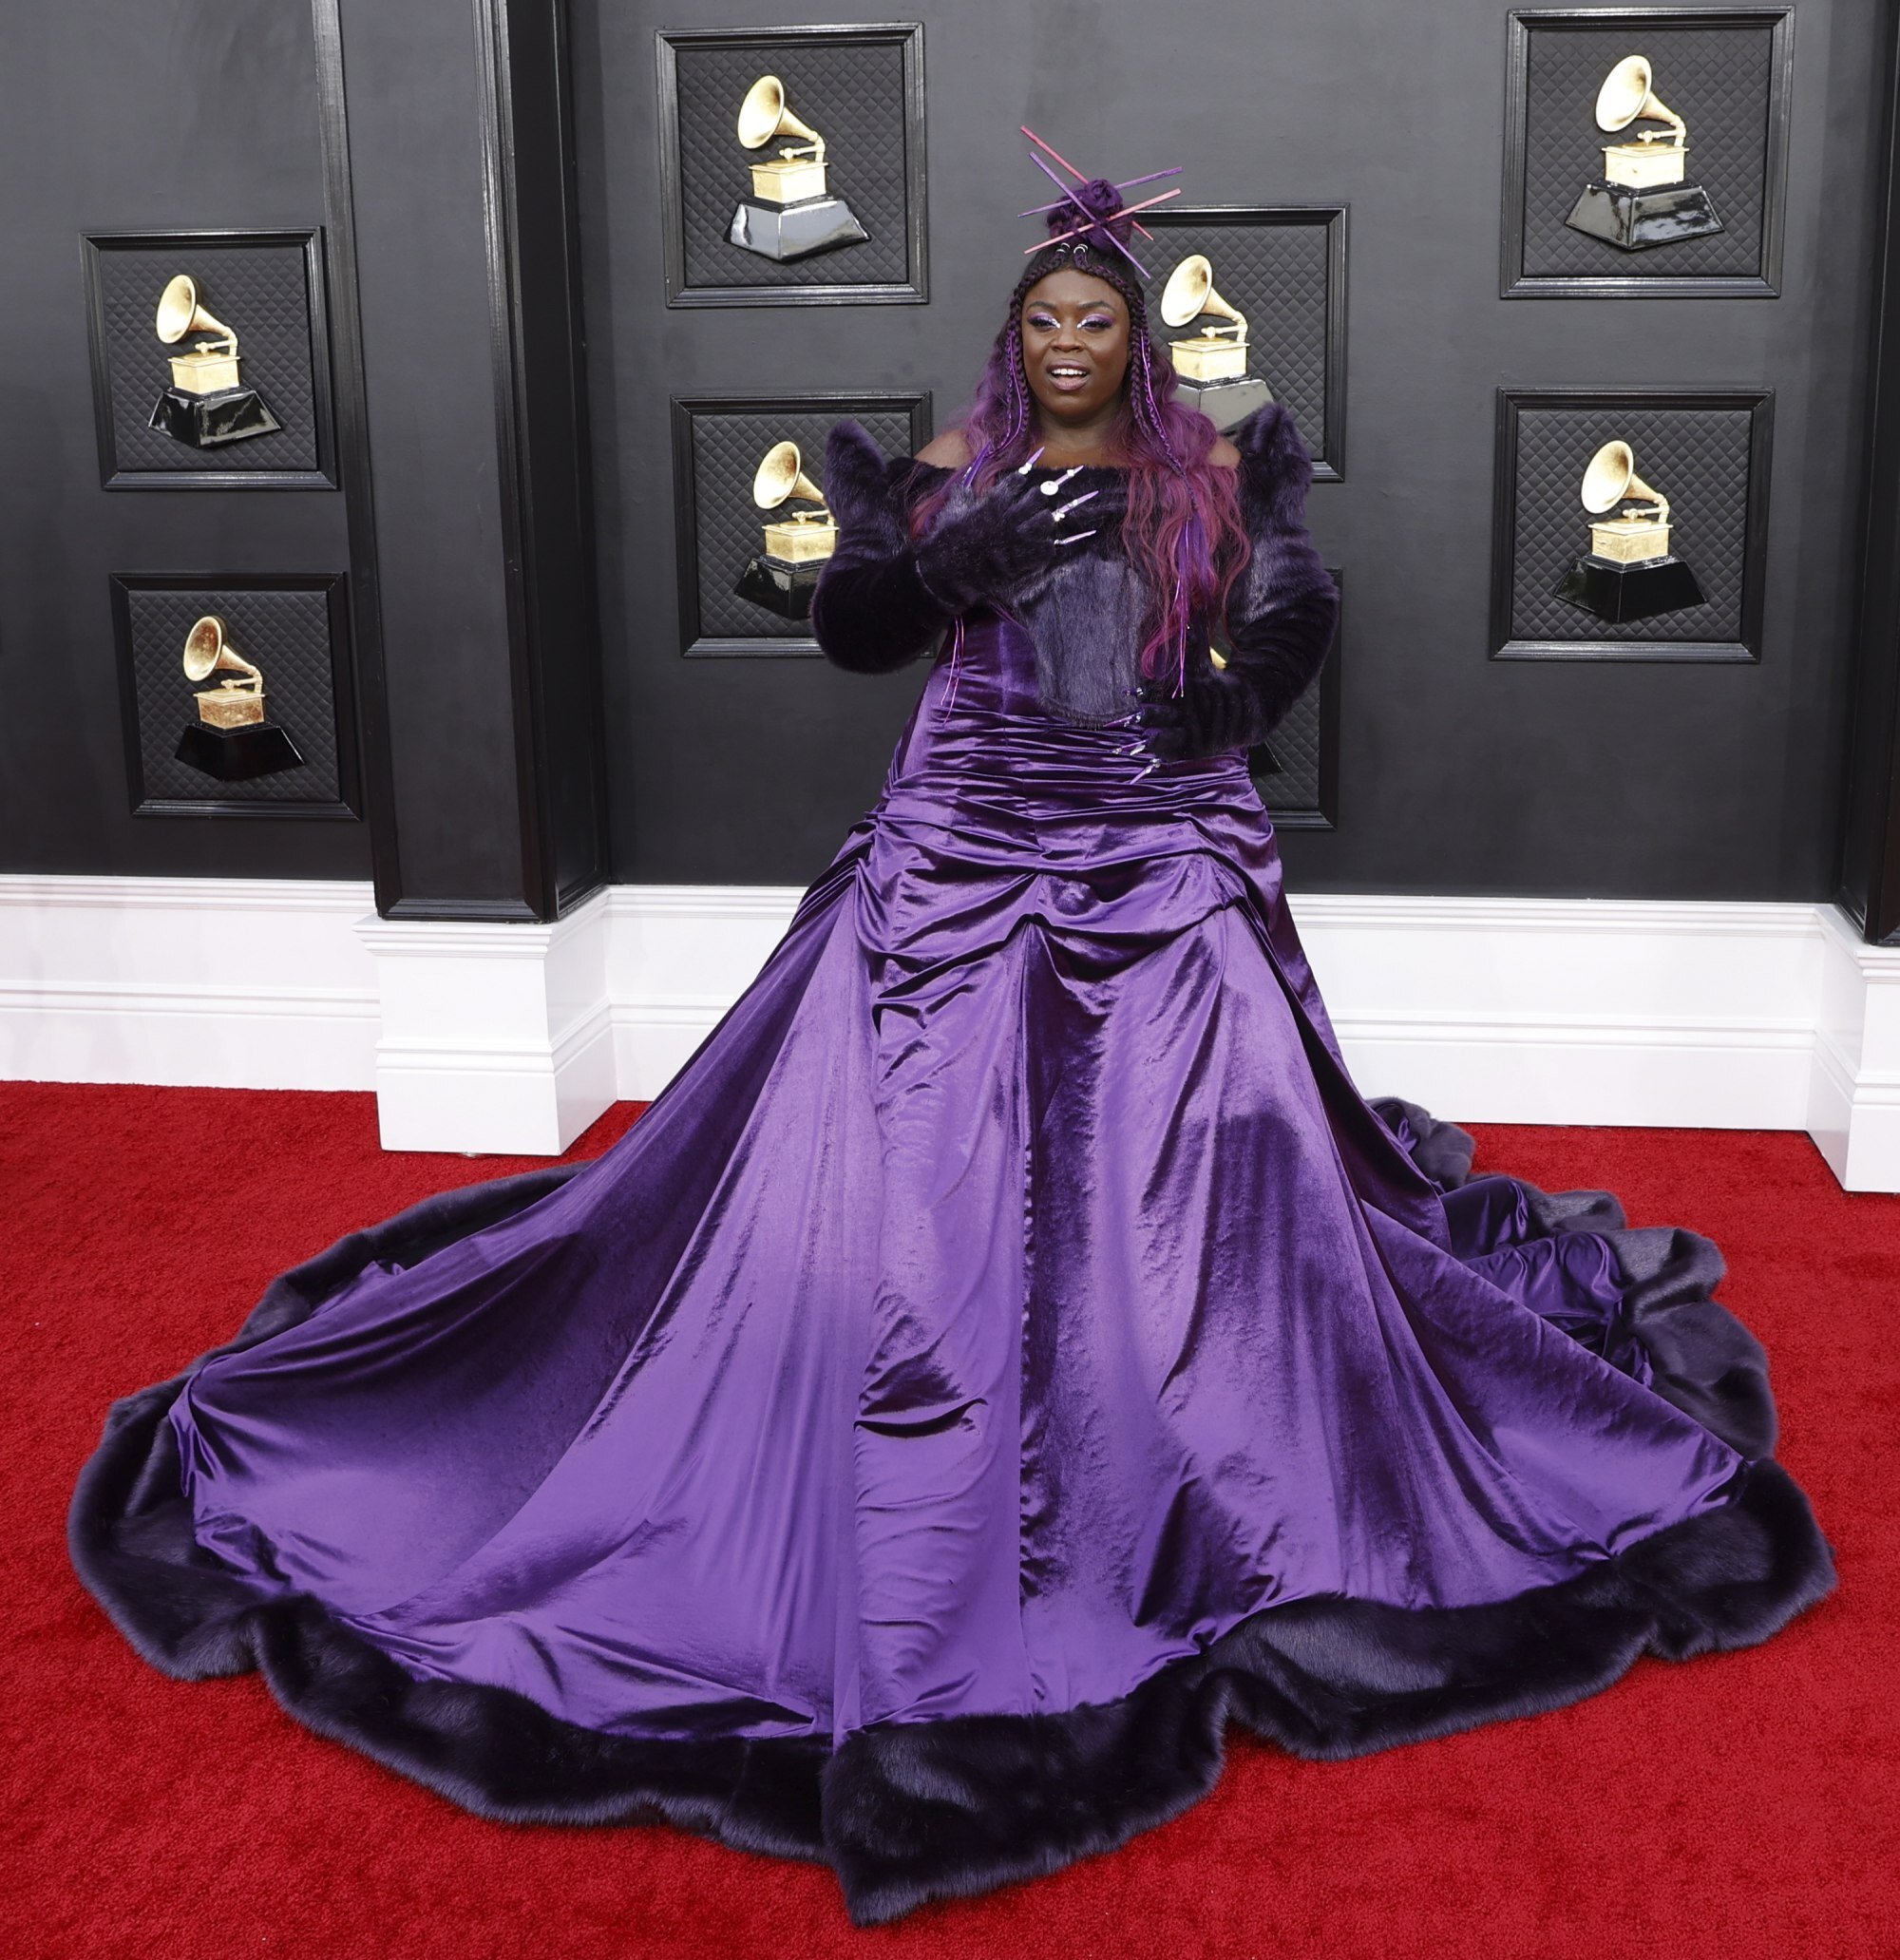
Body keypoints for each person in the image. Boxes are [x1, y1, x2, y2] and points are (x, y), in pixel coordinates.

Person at [70, 165, 1835, 1929]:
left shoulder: (1208, 468)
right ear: (1017, 341)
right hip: (962, 852)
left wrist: (1233, 694)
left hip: (1156, 847)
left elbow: (1294, 606)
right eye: (1045, 322)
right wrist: (942, 562)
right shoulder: (939, 469)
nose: (1071, 343)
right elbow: (851, 633)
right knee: (911, 1181)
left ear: (1139, 348)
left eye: (1099, 324)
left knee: (1204, 1176)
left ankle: (1184, 1459)